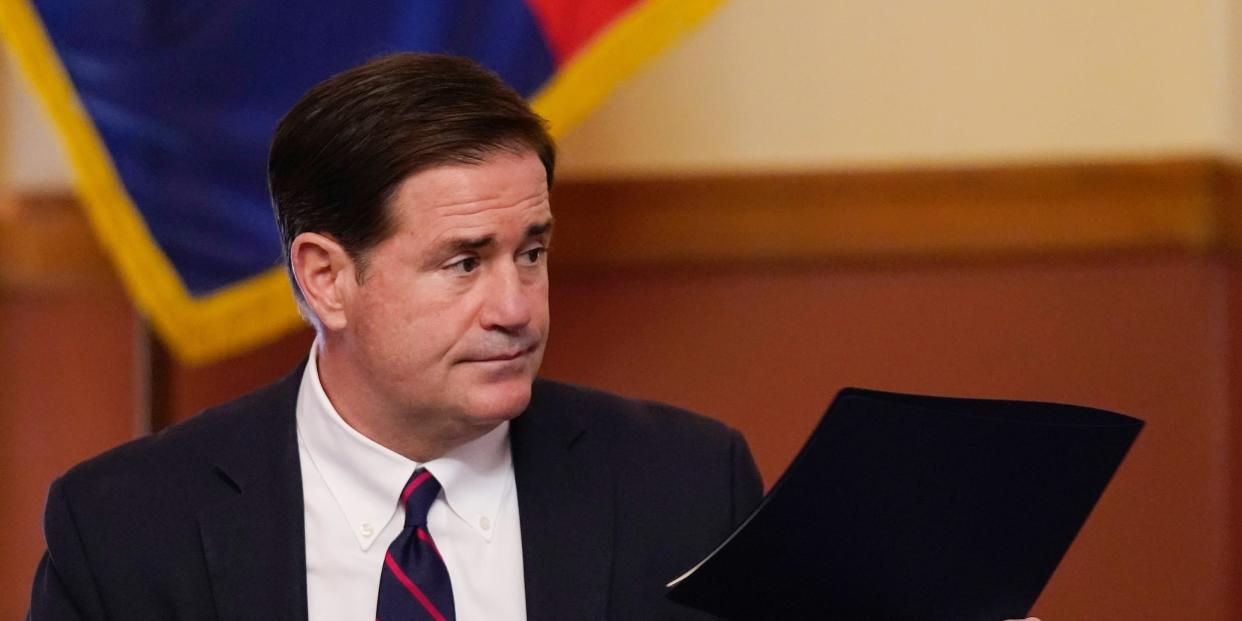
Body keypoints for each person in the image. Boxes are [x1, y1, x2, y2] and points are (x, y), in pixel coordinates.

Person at [27, 53, 1042, 621]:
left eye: (534, 250)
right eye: (465, 261)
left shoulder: (685, 484)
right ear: (326, 279)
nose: (518, 307)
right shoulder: (126, 529)